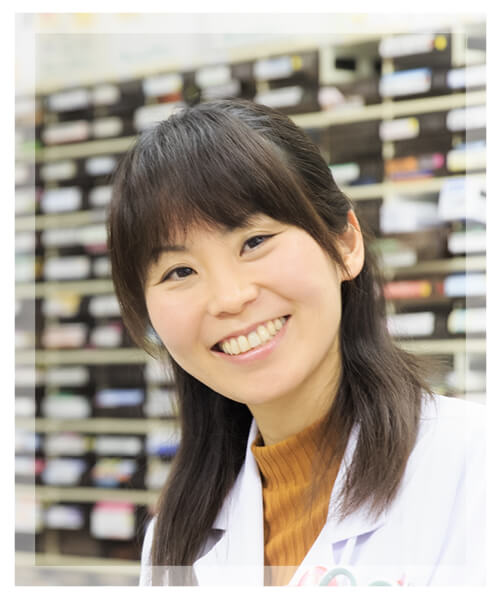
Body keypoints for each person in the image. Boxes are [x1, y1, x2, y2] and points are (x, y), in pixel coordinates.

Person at [108, 98, 485, 587]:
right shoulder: (174, 541)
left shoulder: (477, 467)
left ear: (345, 244)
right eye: (180, 271)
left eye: (254, 242)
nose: (229, 298)